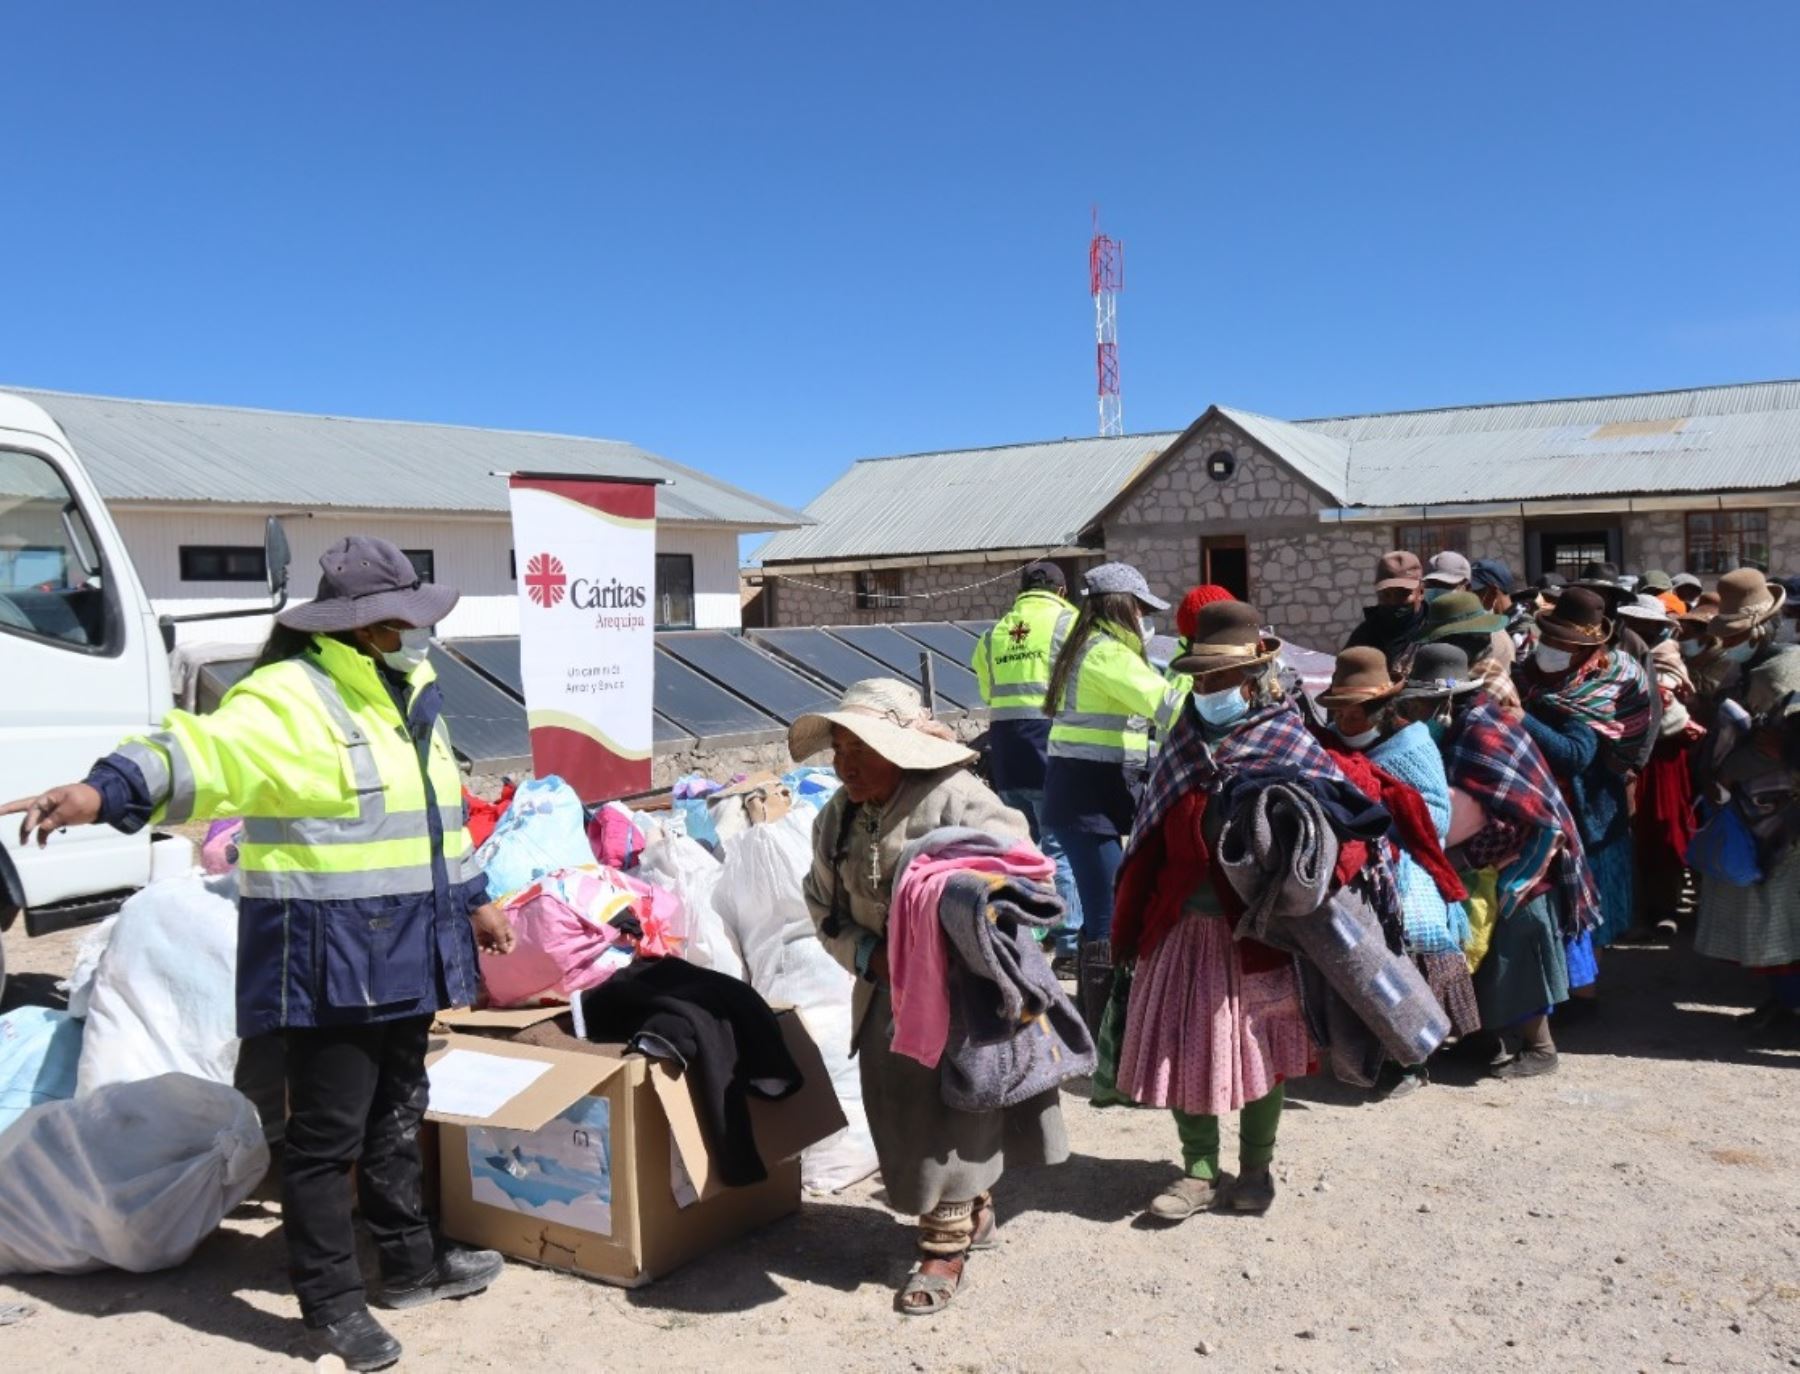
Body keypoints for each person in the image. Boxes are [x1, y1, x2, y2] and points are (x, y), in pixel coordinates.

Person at [2, 537, 512, 1372]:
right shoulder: (287, 699)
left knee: (397, 1114)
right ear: (350, 628)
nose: (415, 635)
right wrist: (104, 790)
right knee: (325, 1139)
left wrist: (476, 898)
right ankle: (331, 1303)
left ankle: (413, 1265)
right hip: (330, 958)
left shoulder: (410, 688)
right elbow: (198, 751)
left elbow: (438, 817)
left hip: (413, 947)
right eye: (398, 625)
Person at [794, 679, 1068, 1313]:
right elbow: (821, 903)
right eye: (838, 749)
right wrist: (867, 954)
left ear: (902, 748)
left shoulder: (958, 799)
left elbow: (1026, 874)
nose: (845, 764)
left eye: (861, 748)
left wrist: (962, 914)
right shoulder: (837, 816)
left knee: (955, 1114)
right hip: (885, 992)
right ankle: (972, 1209)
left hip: (963, 994)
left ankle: (943, 1246)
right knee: (903, 1113)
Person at [1109, 600, 1326, 1221]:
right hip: (1183, 927)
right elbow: (1150, 837)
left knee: (1263, 1053)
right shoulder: (1181, 741)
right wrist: (1132, 928)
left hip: (1260, 934)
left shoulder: (1288, 741)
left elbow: (1331, 835)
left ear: (1255, 678)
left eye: (1219, 678)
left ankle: (1256, 1170)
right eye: (1199, 678)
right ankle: (1199, 1170)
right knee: (1187, 1048)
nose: (1206, 689)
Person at [1419, 644, 1598, 1077]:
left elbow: (1516, 817)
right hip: (1493, 862)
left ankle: (1541, 1048)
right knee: (1482, 953)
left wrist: (1462, 854)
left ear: (1445, 698)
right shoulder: (1470, 724)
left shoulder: (1481, 732)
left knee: (1520, 951)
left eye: (1422, 700)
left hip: (1525, 861)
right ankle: (1485, 1041)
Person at [1316, 646, 1478, 1099]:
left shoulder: (1412, 745)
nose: (1346, 722)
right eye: (1340, 712)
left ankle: (1414, 1056)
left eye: (1355, 713)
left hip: (1405, 857)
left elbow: (1437, 819)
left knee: (1413, 926)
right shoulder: (1327, 744)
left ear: (1381, 708)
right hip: (1347, 856)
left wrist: (1376, 808)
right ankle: (1360, 1051)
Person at [1041, 561, 1171, 1027]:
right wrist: (1211, 685)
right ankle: (1105, 1027)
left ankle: (1105, 1020)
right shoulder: (1107, 655)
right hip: (1087, 796)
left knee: (1105, 907)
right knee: (1106, 913)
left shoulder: (1088, 647)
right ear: (1123, 607)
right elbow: (1165, 704)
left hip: (1084, 792)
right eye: (1141, 608)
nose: (1145, 619)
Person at [1516, 586, 1654, 990]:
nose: (1553, 648)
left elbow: (1575, 755)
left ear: (1585, 649)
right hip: (1547, 805)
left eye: (1565, 643)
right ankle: (1572, 983)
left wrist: (1520, 717)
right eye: (1551, 638)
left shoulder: (1604, 682)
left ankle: (1584, 991)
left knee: (1583, 900)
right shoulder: (1530, 674)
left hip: (1589, 807)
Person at [1690, 571, 1800, 1043]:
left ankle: (1791, 1007)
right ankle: (1781, 1003)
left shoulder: (1782, 674)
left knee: (1780, 915)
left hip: (1782, 818)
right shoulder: (1760, 668)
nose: (1725, 644)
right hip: (1761, 810)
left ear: (1757, 630)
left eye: (1732, 635)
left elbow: (1781, 748)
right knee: (1771, 916)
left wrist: (1730, 765)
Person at [971, 561, 1082, 964]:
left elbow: (986, 686)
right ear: (1062, 591)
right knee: (1062, 845)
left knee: (1021, 847)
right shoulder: (1069, 623)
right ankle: (1069, 943)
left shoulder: (996, 631)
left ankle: (1028, 940)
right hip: (1051, 742)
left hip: (1005, 748)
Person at [1618, 594, 1704, 938]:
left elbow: (1672, 716)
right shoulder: (1628, 656)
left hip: (1665, 759)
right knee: (1639, 834)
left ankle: (1665, 907)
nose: (1638, 629)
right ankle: (1644, 906)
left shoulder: (1664, 659)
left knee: (1665, 829)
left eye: (1645, 624)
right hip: (1644, 758)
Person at [1344, 550, 1429, 670]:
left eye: (1403, 593)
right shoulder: (1364, 636)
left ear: (1421, 592)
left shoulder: (1436, 633)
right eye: (1386, 595)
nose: (1393, 601)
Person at [1471, 558, 1538, 659]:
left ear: (1493, 592)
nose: (1469, 598)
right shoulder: (1497, 624)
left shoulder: (1522, 632)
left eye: (1474, 593)